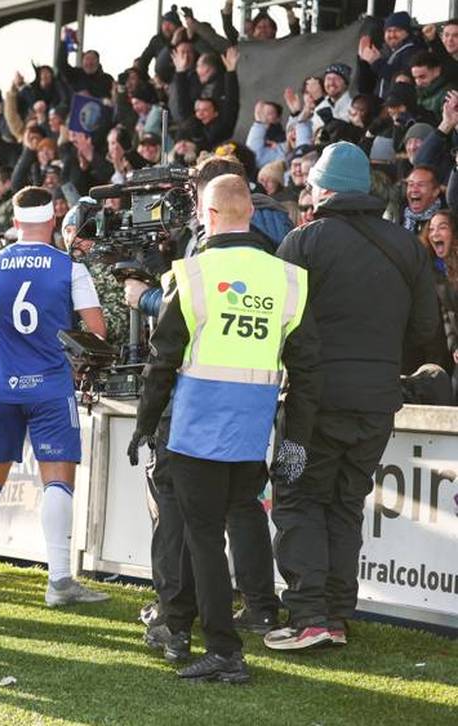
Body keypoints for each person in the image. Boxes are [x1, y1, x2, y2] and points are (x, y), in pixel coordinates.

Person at [130, 174, 321, 682]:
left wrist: (144, 426)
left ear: (209, 216)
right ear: (250, 215)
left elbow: (162, 360)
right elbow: (307, 369)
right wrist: (293, 442)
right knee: (235, 521)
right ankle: (217, 631)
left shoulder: (194, 274)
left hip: (196, 432)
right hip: (250, 432)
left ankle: (220, 648)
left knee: (203, 540)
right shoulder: (287, 278)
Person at [268, 142, 441, 650]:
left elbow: (277, 324)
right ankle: (337, 616)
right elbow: (427, 328)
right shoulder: (407, 246)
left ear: (322, 190)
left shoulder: (303, 244)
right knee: (345, 505)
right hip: (378, 402)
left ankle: (309, 616)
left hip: (311, 405)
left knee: (299, 498)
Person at [0, 187, 109, 606]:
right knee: (57, 483)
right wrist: (75, 363)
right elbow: (97, 333)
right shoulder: (69, 268)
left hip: (4, 387)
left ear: (15, 222)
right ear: (53, 219)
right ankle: (58, 582)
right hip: (52, 387)